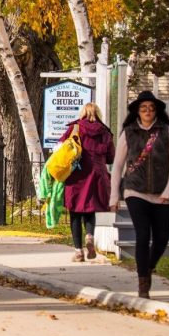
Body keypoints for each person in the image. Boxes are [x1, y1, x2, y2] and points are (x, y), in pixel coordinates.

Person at [109, 91, 169, 299]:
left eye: (151, 108)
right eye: (144, 108)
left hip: (161, 193)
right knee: (142, 234)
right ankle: (143, 283)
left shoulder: (167, 131)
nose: (148, 111)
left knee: (161, 239)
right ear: (138, 112)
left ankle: (147, 267)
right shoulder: (129, 133)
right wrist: (114, 195)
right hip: (135, 191)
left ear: (156, 110)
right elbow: (118, 166)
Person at [58, 103, 114, 262]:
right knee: (90, 210)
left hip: (77, 175)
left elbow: (61, 148)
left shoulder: (75, 128)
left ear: (82, 113)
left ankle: (78, 252)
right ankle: (89, 236)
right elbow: (111, 157)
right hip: (97, 175)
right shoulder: (105, 132)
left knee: (75, 212)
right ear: (98, 113)